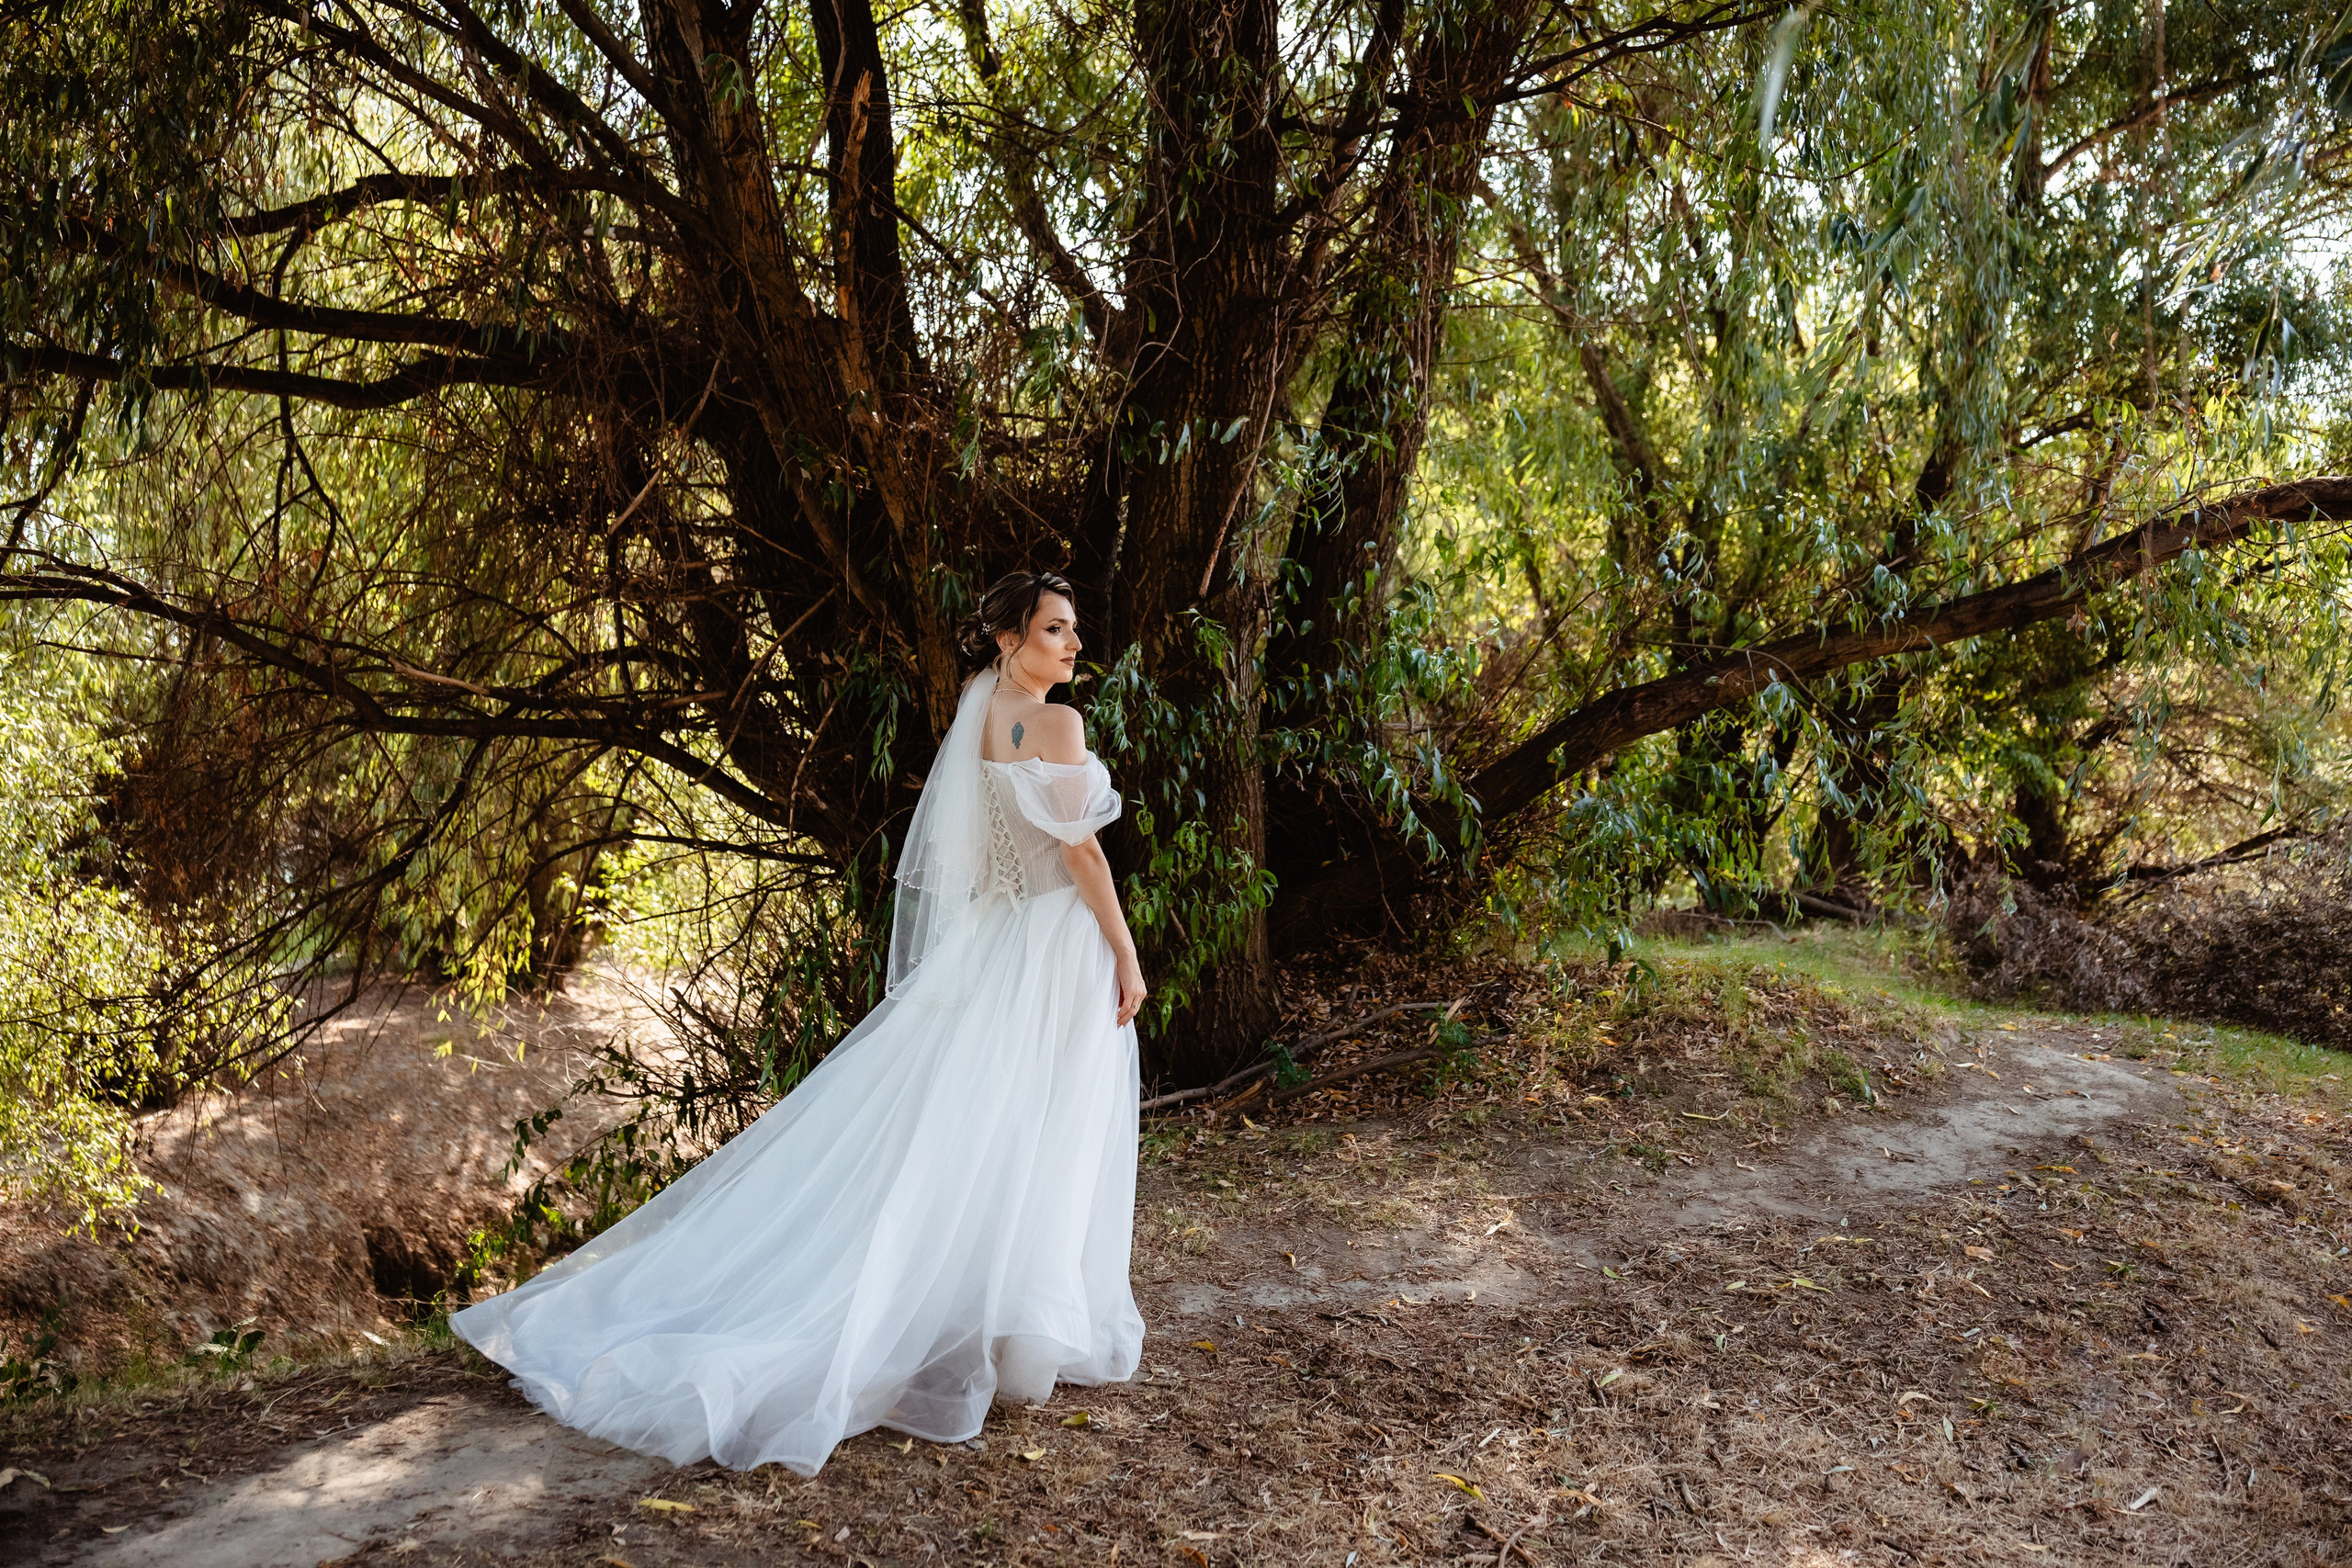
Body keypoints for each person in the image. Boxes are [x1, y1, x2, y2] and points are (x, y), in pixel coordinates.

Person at [451, 570, 1148, 1476]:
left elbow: (978, 848)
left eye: (1073, 628)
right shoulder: (1058, 724)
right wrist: (1124, 950)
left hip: (1000, 940)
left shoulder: (981, 710)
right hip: (1052, 940)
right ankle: (1022, 1339)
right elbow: (1080, 850)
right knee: (1043, 1128)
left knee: (993, 1128)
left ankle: (995, 1327)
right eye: (1055, 629)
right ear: (1009, 638)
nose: (1074, 644)